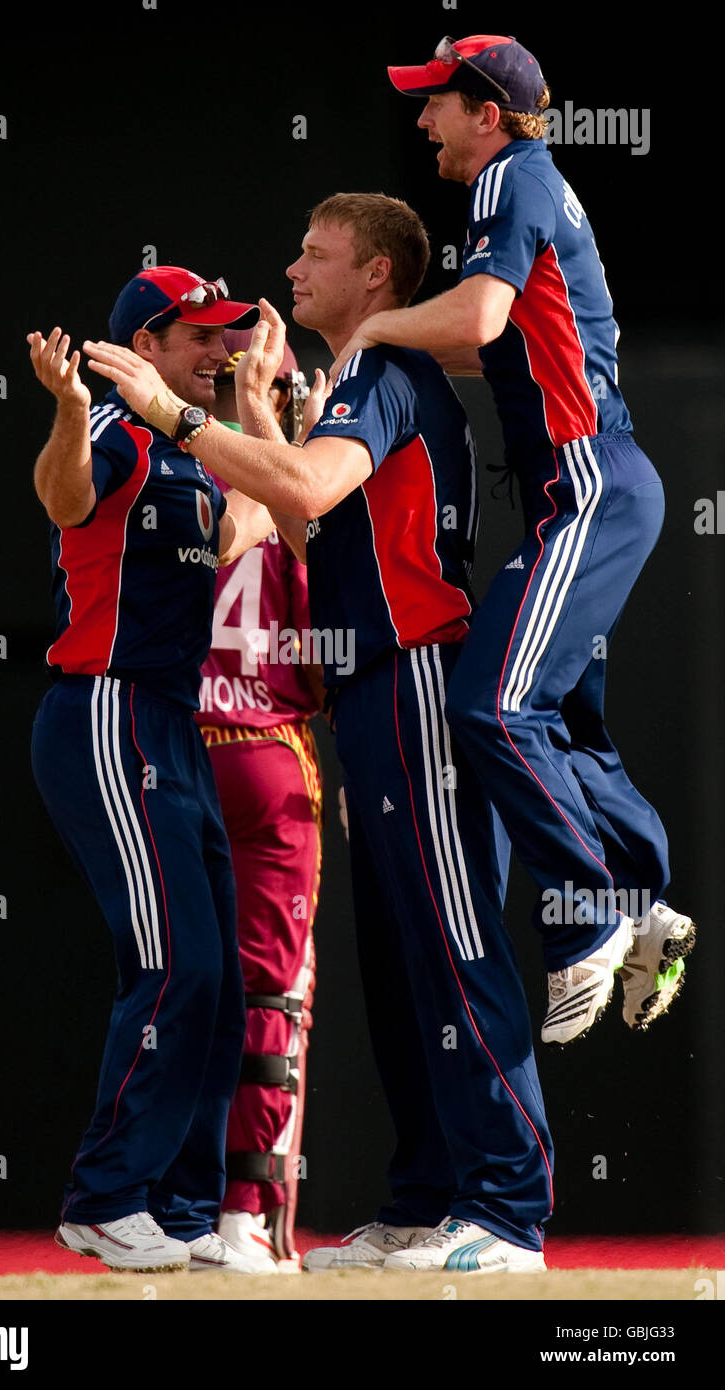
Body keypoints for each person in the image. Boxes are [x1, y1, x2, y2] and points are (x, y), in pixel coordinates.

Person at [83, 192, 555, 1274]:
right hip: (356, 699)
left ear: (375, 276)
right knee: (394, 965)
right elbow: (298, 516)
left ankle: (507, 1209)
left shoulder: (384, 373)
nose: (290, 271)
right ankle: (427, 1194)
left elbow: (301, 485)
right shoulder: (353, 379)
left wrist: (176, 412)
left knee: (448, 945)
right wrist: (251, 423)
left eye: (313, 252)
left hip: (410, 677)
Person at [327, 34, 696, 1046]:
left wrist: (373, 331)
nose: (421, 120)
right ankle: (643, 902)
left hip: (586, 487)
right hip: (588, 490)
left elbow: (478, 317)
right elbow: (502, 339)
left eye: (437, 101)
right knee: (558, 727)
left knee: (488, 704)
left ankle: (586, 913)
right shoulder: (531, 180)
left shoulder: (507, 179)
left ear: (486, 113)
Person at [26, 265, 283, 1275]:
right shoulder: (109, 431)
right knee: (173, 964)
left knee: (214, 979)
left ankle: (179, 1209)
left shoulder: (191, 452)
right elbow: (63, 498)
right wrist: (68, 409)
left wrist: (260, 410)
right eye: (199, 338)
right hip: (106, 709)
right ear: (145, 347)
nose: (218, 351)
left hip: (170, 725)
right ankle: (104, 1197)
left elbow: (251, 523)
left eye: (225, 335)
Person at [197, 332, 324, 1271]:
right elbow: (337, 652)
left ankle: (166, 1203)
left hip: (173, 747)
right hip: (270, 753)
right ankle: (247, 1215)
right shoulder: (304, 505)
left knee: (178, 986)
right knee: (273, 995)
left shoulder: (173, 479)